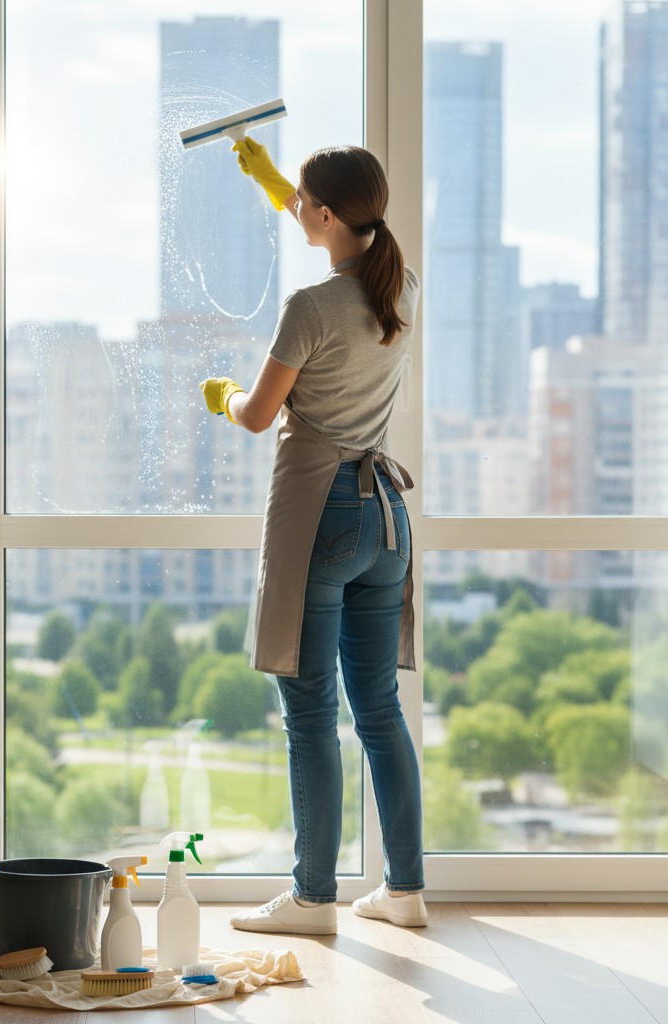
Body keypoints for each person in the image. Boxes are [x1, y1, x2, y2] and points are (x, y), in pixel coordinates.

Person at [199, 137, 427, 934]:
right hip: (385, 520)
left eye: (302, 200)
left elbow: (259, 415)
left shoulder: (308, 307)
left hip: (322, 516)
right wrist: (276, 184)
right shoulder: (403, 287)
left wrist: (224, 394)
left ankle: (312, 899)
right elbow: (341, 239)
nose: (294, 206)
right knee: (379, 712)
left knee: (309, 713)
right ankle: (405, 892)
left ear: (327, 215)